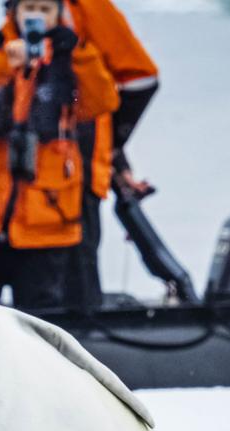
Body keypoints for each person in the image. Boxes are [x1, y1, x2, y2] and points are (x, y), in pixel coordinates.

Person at [0, 0, 119, 309]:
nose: (36, 16)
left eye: (45, 9)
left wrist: (79, 51)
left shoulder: (74, 59)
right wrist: (4, 61)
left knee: (42, 319)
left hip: (46, 223)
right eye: (29, 8)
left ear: (59, 14)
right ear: (13, 13)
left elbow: (102, 101)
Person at [59, 0, 160, 310]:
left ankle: (82, 344)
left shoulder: (86, 7)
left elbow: (141, 80)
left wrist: (111, 147)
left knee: (77, 261)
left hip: (77, 168)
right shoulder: (21, 12)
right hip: (25, 176)